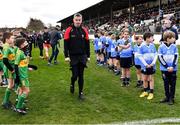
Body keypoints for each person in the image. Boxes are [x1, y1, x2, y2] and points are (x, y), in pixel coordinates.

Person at [64, 13, 90, 100]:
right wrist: (66, 56)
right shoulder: (69, 30)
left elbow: (87, 44)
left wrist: (88, 56)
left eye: (79, 20)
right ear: (73, 20)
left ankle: (80, 93)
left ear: (81, 20)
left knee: (81, 75)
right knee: (75, 75)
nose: (78, 22)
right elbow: (66, 44)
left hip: (82, 56)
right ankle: (72, 83)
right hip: (73, 56)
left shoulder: (84, 30)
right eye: (76, 20)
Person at [158, 31, 178, 105]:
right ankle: (167, 97)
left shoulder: (174, 46)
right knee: (166, 83)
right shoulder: (161, 47)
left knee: (173, 83)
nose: (175, 39)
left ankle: (171, 98)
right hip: (164, 69)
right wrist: (167, 67)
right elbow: (160, 58)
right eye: (173, 37)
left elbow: (176, 57)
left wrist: (172, 66)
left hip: (173, 69)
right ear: (168, 38)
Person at [139, 32, 157, 100]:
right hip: (145, 66)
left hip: (152, 65)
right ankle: (145, 91)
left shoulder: (153, 45)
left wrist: (153, 63)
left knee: (151, 79)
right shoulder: (141, 46)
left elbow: (156, 54)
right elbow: (140, 56)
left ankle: (151, 92)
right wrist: (146, 64)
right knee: (145, 79)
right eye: (152, 37)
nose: (153, 38)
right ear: (147, 38)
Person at [2, 32, 16, 109]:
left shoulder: (8, 46)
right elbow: (4, 60)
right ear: (7, 39)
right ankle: (5, 102)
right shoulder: (6, 47)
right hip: (8, 69)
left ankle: (6, 101)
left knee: (12, 85)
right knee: (10, 85)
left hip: (10, 68)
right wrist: (11, 69)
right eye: (12, 38)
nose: (13, 39)